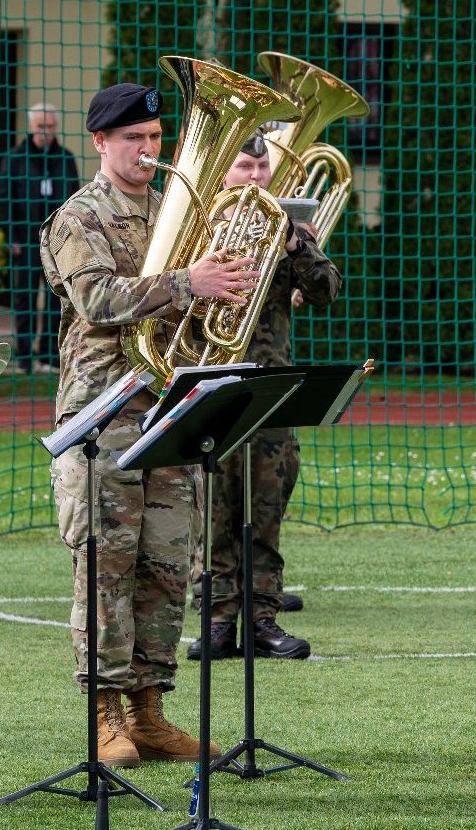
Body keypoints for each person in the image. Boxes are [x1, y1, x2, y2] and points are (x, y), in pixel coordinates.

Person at [39, 82, 257, 766]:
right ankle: (105, 715)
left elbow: (196, 309)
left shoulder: (174, 211)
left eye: (156, 139)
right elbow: (98, 299)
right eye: (133, 139)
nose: (148, 151)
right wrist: (189, 283)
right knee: (106, 566)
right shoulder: (79, 217)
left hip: (168, 408)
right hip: (102, 410)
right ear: (100, 141)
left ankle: (150, 711)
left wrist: (224, 292)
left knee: (165, 564)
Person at [187, 132, 341, 662]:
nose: (254, 177)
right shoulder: (193, 222)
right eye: (243, 167)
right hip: (209, 381)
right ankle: (215, 621)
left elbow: (327, 289)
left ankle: (262, 619)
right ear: (223, 172)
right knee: (212, 509)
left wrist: (299, 247)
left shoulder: (285, 227)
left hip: (270, 386)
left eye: (261, 167)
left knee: (266, 505)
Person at [1, 102, 79, 374]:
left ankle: (49, 355)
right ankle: (24, 357)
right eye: (40, 127)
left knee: (56, 298)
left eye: (50, 127)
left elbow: (75, 199)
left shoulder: (65, 158)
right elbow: (3, 199)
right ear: (31, 127)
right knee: (24, 299)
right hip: (25, 240)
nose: (45, 132)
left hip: (57, 243)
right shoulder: (15, 158)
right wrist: (11, 237)